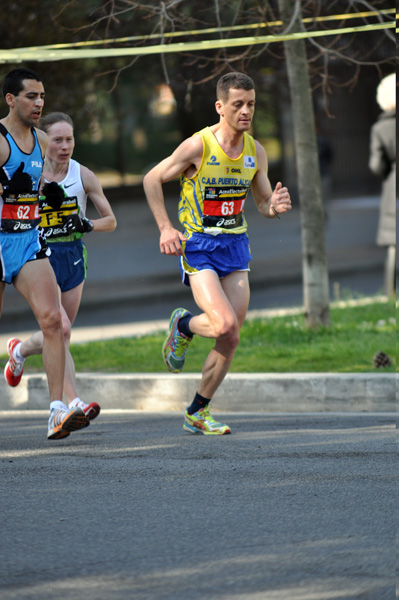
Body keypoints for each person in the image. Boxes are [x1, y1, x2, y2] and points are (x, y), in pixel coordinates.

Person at [143, 72, 291, 435]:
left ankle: (197, 411)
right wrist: (165, 228)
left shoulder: (255, 151)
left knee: (231, 335)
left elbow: (261, 202)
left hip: (235, 245)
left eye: (251, 104)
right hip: (199, 246)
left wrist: (275, 205)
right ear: (220, 107)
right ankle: (183, 325)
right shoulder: (198, 146)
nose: (246, 111)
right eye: (238, 104)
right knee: (223, 322)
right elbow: (151, 179)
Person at [4, 111, 117, 422]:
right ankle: (74, 401)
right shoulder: (30, 171)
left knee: (59, 334)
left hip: (73, 256)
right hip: (39, 254)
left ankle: (20, 351)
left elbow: (111, 220)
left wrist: (87, 224)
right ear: (44, 141)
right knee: (61, 327)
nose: (65, 146)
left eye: (70, 139)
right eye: (58, 140)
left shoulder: (83, 175)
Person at [0, 68, 88, 439]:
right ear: (10, 99)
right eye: (31, 96)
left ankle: (56, 411)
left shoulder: (40, 140)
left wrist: (46, 194)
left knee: (54, 321)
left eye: (42, 97)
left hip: (27, 239)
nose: (39, 103)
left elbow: (37, 185)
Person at [369, 72, 396, 297]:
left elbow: (377, 166)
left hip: (393, 190)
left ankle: (391, 295)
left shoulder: (381, 128)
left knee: (393, 247)